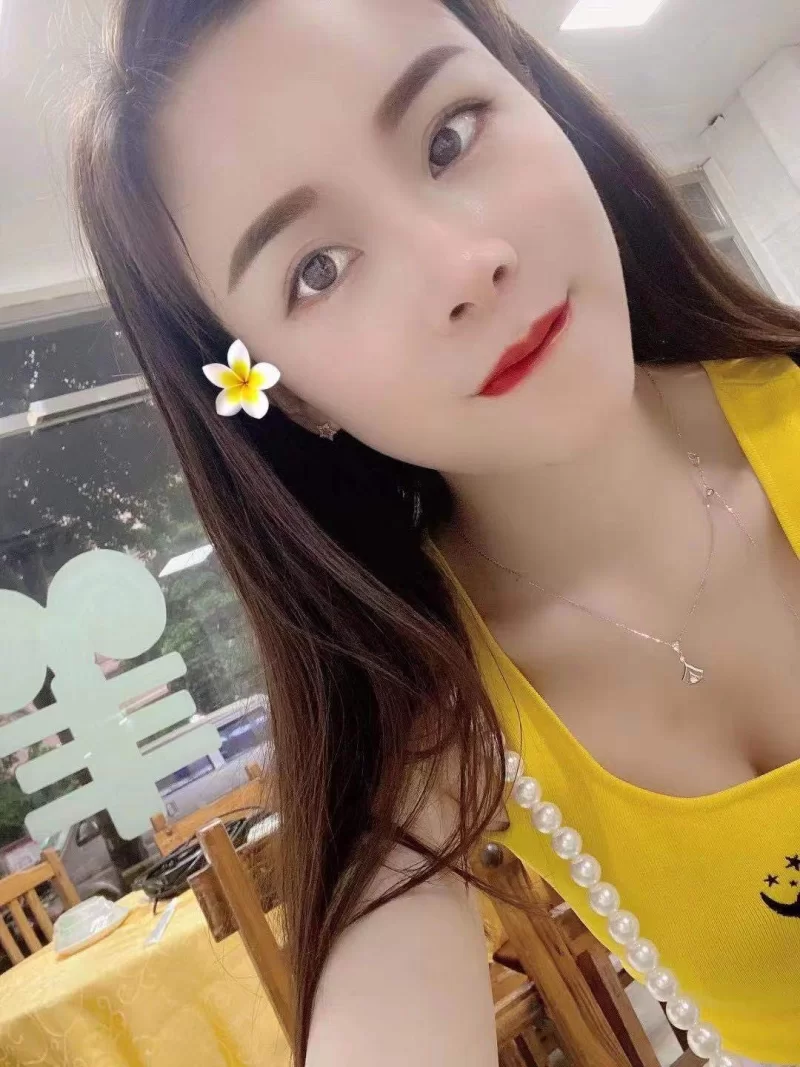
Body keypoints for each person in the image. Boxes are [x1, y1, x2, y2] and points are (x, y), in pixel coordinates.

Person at [69, 1, 800, 1064]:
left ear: (532, 95)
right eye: (318, 268)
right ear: (287, 392)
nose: (462, 267)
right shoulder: (430, 718)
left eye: (448, 136)